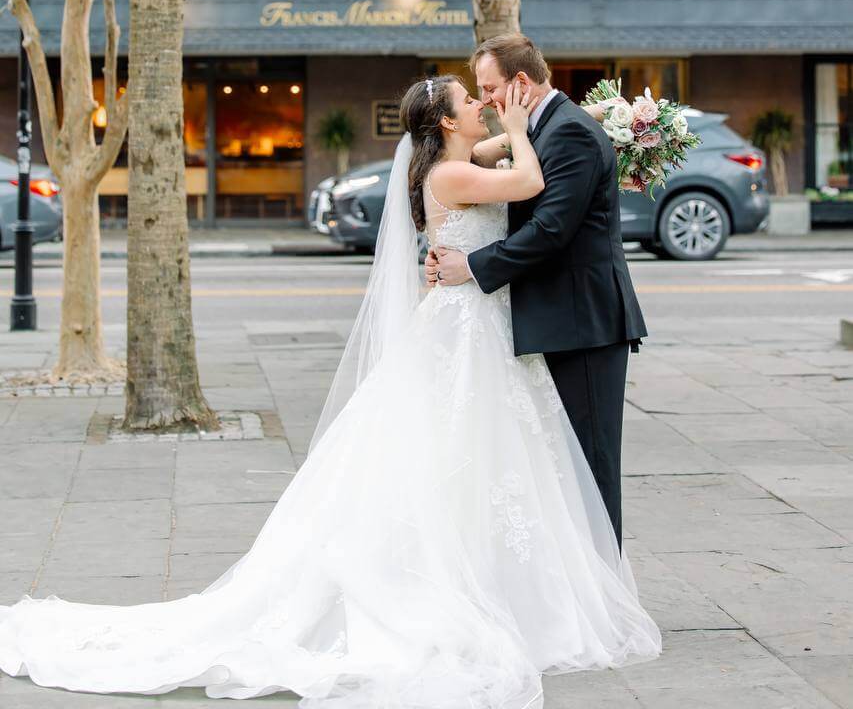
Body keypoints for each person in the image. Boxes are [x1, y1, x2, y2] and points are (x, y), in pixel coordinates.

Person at [0, 72, 660, 706]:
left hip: (472, 322)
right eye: (470, 99)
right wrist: (519, 129)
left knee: (486, 457)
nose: (483, 105)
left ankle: (501, 582)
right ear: (445, 120)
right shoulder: (452, 171)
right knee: (466, 449)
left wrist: (567, 122)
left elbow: (512, 146)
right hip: (465, 330)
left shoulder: (454, 156)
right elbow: (528, 178)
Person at [426, 34, 648, 548]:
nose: (485, 99)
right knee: (560, 471)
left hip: (583, 326)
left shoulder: (568, 132)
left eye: (490, 87)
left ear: (520, 82)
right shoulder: (534, 127)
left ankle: (607, 601)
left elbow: (550, 230)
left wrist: (471, 267)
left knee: (591, 469)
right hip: (553, 321)